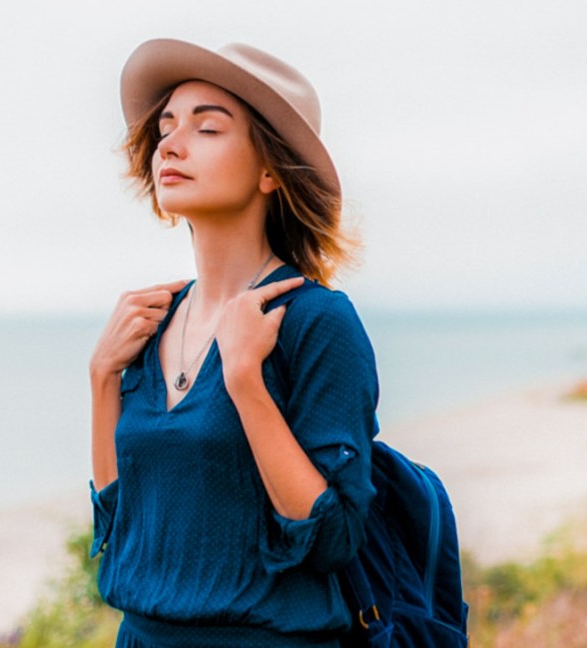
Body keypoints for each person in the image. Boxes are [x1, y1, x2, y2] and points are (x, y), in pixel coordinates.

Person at [87, 39, 379, 647]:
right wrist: (102, 379)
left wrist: (245, 381)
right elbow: (122, 525)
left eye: (207, 128)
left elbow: (333, 538)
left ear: (271, 170)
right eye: (165, 128)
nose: (171, 145)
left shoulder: (315, 321)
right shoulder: (151, 321)